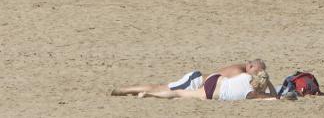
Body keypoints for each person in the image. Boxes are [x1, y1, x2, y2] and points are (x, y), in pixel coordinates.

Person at [111, 59, 269, 97]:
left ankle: (130, 91)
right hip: (196, 81)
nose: (257, 74)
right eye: (258, 70)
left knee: (167, 91)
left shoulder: (242, 68)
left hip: (200, 82)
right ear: (251, 66)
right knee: (163, 89)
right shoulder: (238, 72)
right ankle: (125, 90)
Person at [138, 71, 279, 101]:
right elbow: (273, 97)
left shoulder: (246, 76)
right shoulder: (252, 95)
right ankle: (149, 94)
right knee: (180, 93)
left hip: (216, 78)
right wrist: (270, 84)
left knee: (185, 94)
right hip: (211, 92)